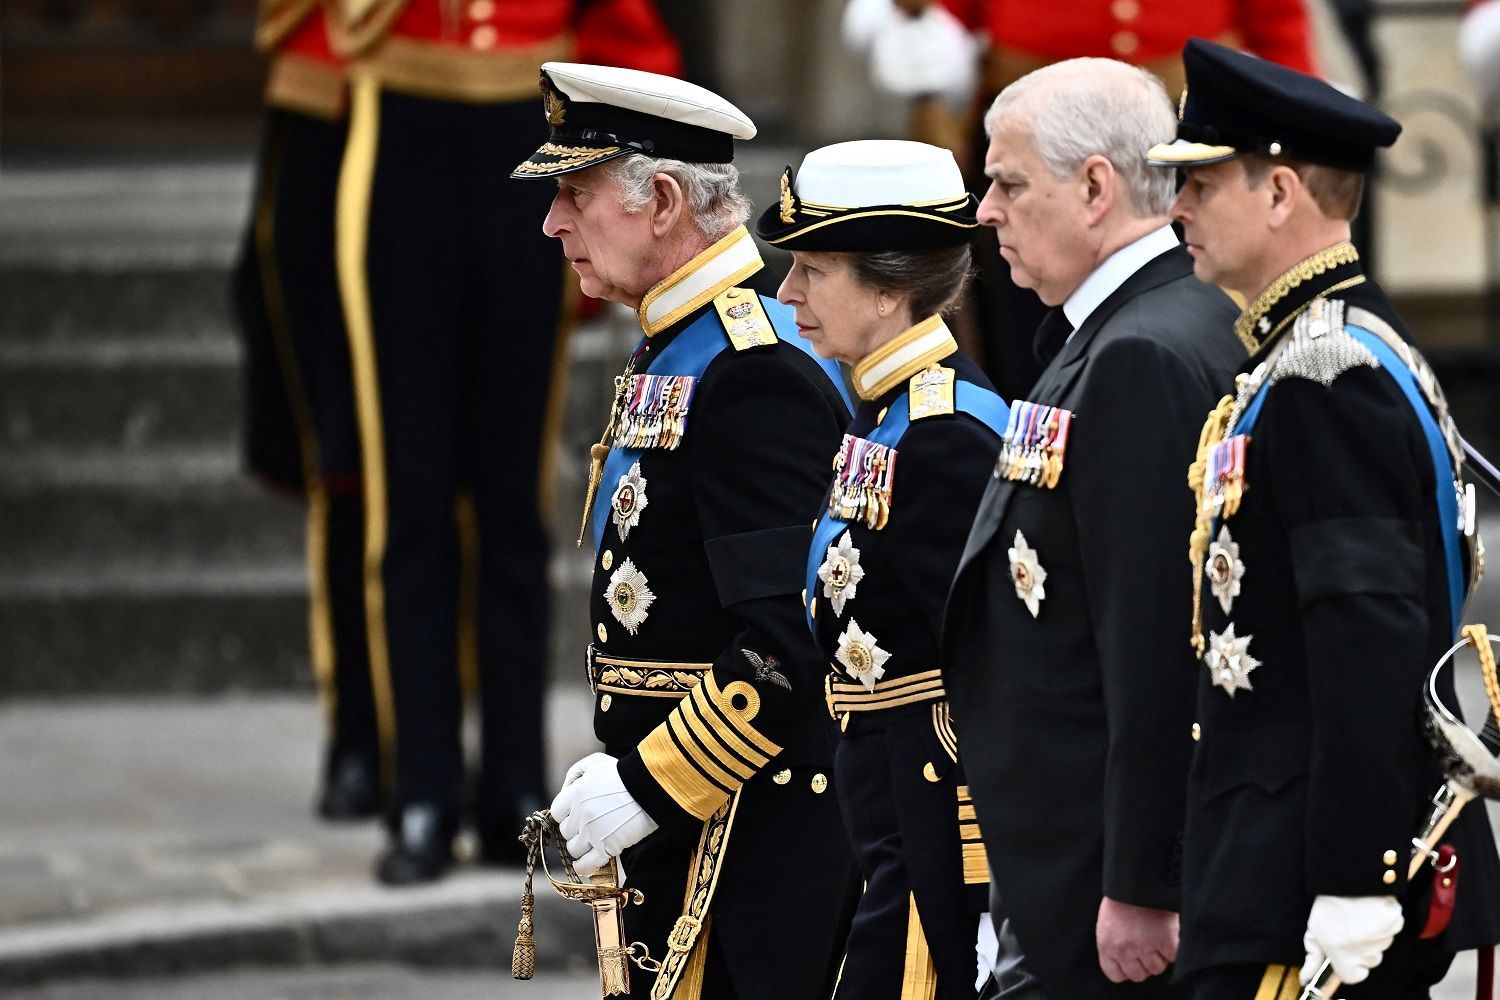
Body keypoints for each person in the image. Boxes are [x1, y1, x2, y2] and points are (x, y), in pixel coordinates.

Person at [1144, 38, 1500, 999]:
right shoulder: (1315, 352)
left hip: (1303, 874)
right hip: (1268, 851)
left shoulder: (1329, 377)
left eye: (1201, 186)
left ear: (1279, 193)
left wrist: (1357, 876)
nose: (1175, 210)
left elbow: (1368, 634)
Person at [520, 63, 860, 998]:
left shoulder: (750, 368)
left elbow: (791, 641)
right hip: (698, 826)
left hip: (754, 842)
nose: (555, 223)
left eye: (575, 195)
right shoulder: (685, 340)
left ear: (663, 199)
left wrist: (648, 780)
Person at [331, 0, 682, 883]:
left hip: (532, 127)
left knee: (513, 502)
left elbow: (618, 25)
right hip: (403, 120)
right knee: (409, 499)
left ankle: (516, 787)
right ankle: (421, 791)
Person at [940, 58, 1244, 999]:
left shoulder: (1141, 352)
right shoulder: (1132, 326)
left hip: (1100, 885)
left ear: (1096, 188)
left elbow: (1153, 639)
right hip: (1066, 858)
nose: (986, 210)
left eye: (1008, 182)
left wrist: (1142, 883)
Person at [759, 138, 1005, 1000]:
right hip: (884, 824)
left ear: (890, 289)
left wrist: (980, 888)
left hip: (932, 844)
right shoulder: (885, 411)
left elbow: (985, 678)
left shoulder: (943, 436)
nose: (786, 295)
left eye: (813, 271)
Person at [232, 0, 381, 821]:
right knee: (347, 463)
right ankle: (360, 732)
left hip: (481, 102)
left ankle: (463, 741)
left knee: (478, 484)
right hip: (333, 97)